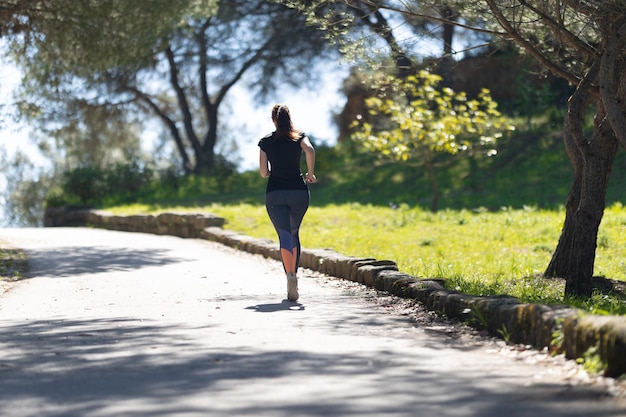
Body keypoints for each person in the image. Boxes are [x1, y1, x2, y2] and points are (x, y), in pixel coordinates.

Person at [258, 104, 317, 301]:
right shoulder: (299, 136)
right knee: (294, 233)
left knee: (284, 235)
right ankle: (294, 274)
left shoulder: (265, 142)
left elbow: (264, 173)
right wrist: (310, 173)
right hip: (299, 192)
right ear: (289, 118)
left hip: (275, 194)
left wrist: (271, 169)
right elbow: (309, 150)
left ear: (273, 119)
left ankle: (290, 275)